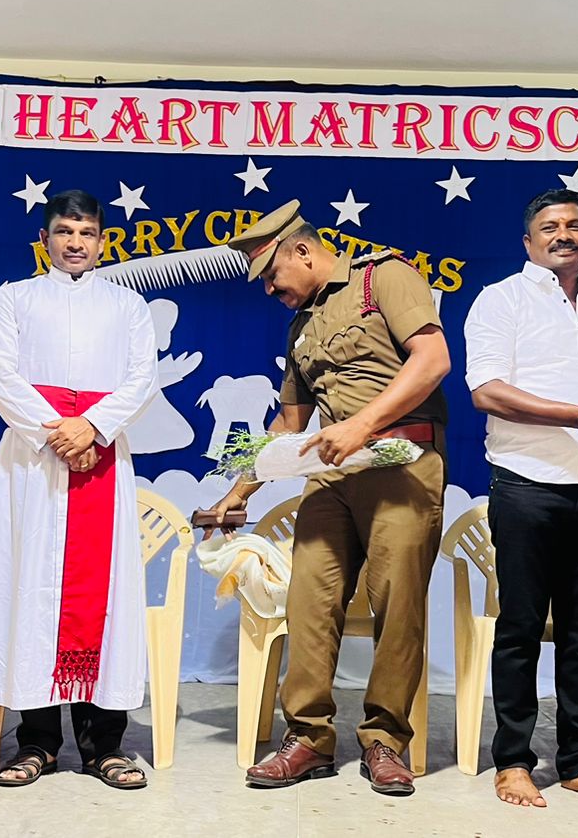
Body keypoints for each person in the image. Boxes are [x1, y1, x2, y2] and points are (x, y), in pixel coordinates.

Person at [207, 199, 450, 797]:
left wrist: (361, 425)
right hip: (332, 477)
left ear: (302, 250)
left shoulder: (381, 278)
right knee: (309, 600)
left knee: (397, 603)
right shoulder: (300, 329)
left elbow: (433, 360)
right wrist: (236, 493)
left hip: (402, 466)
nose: (269, 290)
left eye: (271, 275)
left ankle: (385, 740)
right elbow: (289, 428)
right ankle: (308, 738)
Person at [0, 190, 158, 790]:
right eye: (65, 231)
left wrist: (91, 427)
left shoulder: (128, 305)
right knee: (31, 588)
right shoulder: (14, 298)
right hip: (35, 459)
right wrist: (59, 434)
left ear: (102, 241)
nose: (75, 243)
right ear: (45, 239)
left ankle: (103, 747)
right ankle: (36, 742)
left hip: (101, 456)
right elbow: (0, 376)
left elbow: (141, 379)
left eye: (87, 233)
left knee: (102, 595)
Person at [464, 189, 578, 810]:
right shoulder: (501, 299)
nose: (563, 234)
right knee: (519, 628)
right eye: (549, 226)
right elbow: (487, 392)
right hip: (527, 484)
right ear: (529, 241)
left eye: (575, 225)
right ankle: (513, 762)